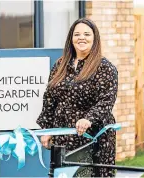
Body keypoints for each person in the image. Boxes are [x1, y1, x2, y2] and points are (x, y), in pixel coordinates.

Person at [36, 18, 118, 177]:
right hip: (63, 136)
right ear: (71, 39)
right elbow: (49, 99)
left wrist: (89, 118)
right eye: (77, 34)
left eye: (87, 34)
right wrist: (48, 130)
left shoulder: (105, 68)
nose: (82, 38)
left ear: (94, 38)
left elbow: (107, 100)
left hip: (92, 138)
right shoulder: (60, 64)